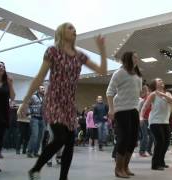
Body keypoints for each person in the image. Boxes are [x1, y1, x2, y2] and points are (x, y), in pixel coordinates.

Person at [17, 22, 107, 180]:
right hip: (54, 100)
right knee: (60, 138)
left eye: (75, 28)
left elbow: (102, 71)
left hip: (69, 103)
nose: (74, 30)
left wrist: (102, 49)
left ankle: (63, 177)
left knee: (70, 141)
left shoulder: (79, 55)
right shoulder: (52, 51)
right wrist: (25, 101)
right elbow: (39, 77)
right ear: (61, 32)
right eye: (70, 27)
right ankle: (36, 168)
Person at [107, 51, 142, 178]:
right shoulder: (120, 72)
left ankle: (125, 167)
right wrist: (111, 109)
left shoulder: (137, 73)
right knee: (123, 139)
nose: (137, 58)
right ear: (128, 58)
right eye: (135, 57)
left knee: (133, 140)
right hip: (121, 110)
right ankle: (118, 169)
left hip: (133, 109)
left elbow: (136, 92)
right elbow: (109, 91)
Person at [141, 78, 172, 170]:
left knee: (166, 143)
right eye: (159, 80)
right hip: (155, 121)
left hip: (165, 122)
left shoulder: (167, 94)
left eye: (162, 80)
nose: (161, 81)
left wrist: (163, 94)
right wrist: (141, 117)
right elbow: (144, 107)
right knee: (160, 142)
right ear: (155, 84)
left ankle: (161, 162)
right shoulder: (152, 94)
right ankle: (155, 164)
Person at [27, 85, 45, 158]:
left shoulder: (45, 97)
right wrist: (28, 113)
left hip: (42, 118)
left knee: (40, 136)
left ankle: (36, 152)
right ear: (38, 89)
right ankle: (29, 151)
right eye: (42, 88)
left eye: (44, 88)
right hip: (34, 118)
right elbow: (27, 104)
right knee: (35, 135)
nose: (43, 90)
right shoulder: (33, 96)